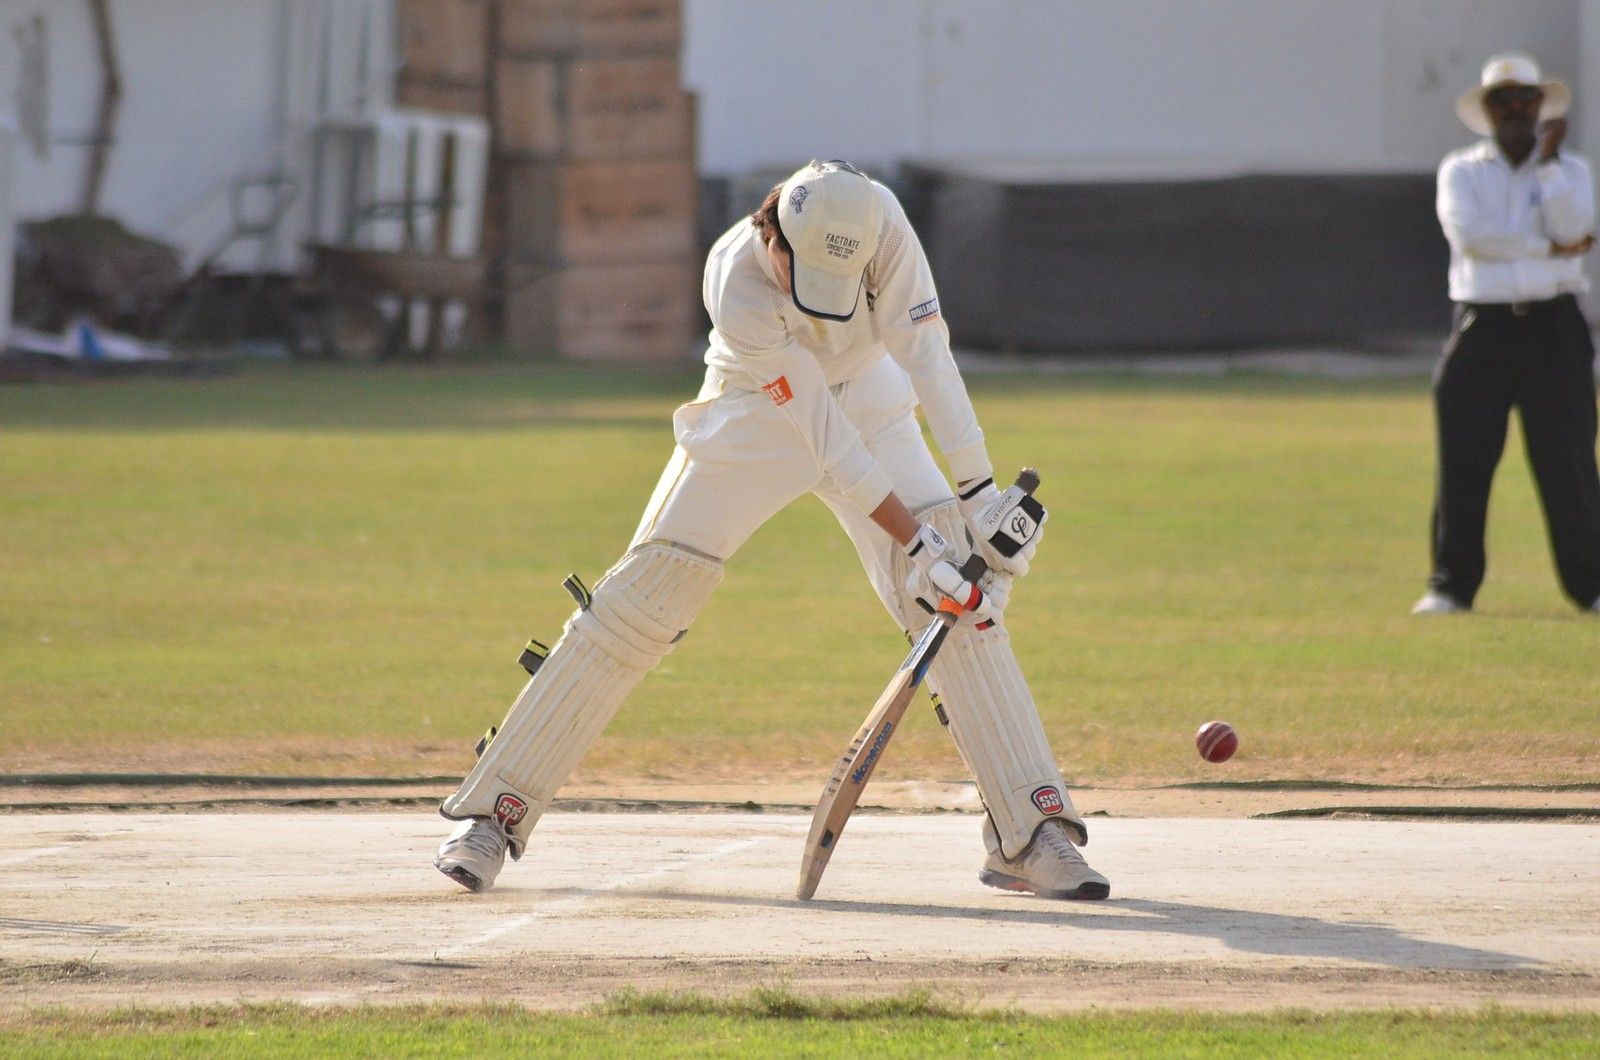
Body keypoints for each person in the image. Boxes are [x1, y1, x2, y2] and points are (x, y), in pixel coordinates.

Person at [432, 159, 1109, 900]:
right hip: (757, 409)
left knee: (956, 606)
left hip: (873, 398)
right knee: (646, 597)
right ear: (774, 238)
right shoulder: (738, 283)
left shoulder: (882, 224)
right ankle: (493, 813)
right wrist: (921, 543)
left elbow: (927, 356)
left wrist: (979, 497)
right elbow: (829, 441)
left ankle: (1030, 831)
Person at [1414, 55, 1600, 615]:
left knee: (1569, 462)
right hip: (1484, 325)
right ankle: (1451, 586)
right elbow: (1472, 238)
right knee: (1464, 460)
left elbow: (1576, 228)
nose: (1516, 110)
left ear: (1541, 106)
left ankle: (1591, 586)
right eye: (1504, 100)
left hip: (1554, 326)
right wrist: (1548, 248)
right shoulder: (1462, 170)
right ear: (1488, 111)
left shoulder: (1571, 169)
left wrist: (1548, 166)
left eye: (1526, 99)